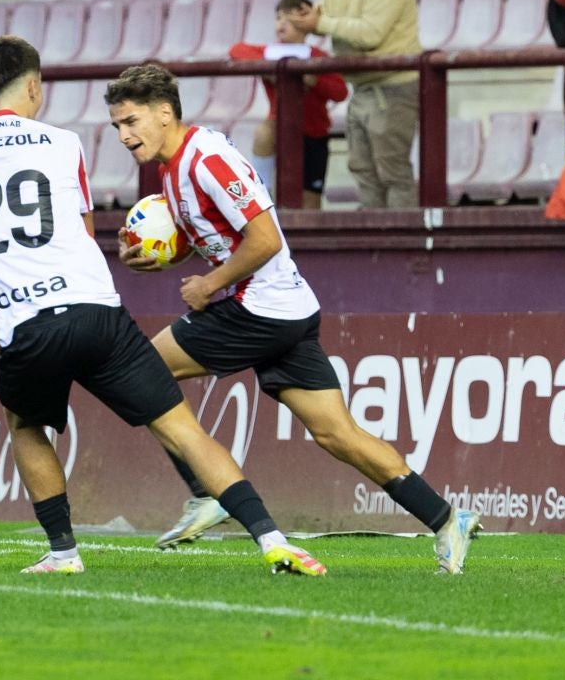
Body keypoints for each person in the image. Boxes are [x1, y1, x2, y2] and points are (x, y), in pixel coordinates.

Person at [0, 36, 324, 577]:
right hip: (97, 313)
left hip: (25, 322)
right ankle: (272, 539)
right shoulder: (64, 144)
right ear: (34, 87)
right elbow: (82, 228)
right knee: (183, 429)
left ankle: (63, 553)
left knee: (25, 425)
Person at [104, 63, 482, 572]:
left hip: (259, 308)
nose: (124, 135)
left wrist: (210, 285)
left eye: (131, 122)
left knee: (141, 372)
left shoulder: (207, 159)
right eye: (117, 126)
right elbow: (218, 238)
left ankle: (207, 491)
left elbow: (265, 239)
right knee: (337, 434)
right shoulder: (172, 168)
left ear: (165, 114)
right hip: (287, 310)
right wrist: (158, 258)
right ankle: (446, 518)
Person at [295, 0, 419, 210]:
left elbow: (372, 34)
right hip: (362, 87)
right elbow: (329, 15)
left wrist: (320, 23)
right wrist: (309, 18)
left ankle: (402, 237)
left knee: (392, 173)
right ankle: (376, 237)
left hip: (394, 85)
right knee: (363, 171)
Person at [227, 0, 348, 210]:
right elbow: (236, 50)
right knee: (264, 133)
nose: (282, 23)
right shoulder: (268, 53)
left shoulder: (317, 56)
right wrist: (271, 67)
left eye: (290, 18)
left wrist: (314, 80)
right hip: (280, 126)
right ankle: (261, 191)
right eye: (279, 18)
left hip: (313, 133)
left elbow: (340, 92)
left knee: (310, 202)